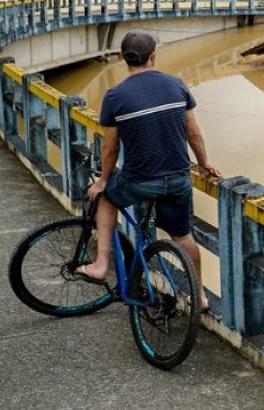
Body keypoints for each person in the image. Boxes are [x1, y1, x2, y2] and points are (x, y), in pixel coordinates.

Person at [78, 31, 220, 311]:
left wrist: (104, 180)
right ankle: (200, 295)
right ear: (153, 56)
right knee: (183, 236)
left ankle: (99, 264)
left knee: (107, 198)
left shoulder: (115, 96)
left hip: (140, 181)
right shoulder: (176, 85)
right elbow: (193, 132)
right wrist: (204, 163)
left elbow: (109, 149)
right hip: (179, 178)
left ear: (122, 58)